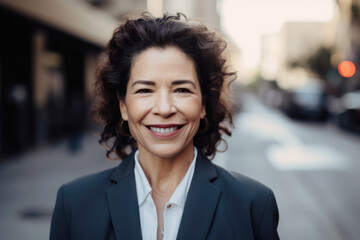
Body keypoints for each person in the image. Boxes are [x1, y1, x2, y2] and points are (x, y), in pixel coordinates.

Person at [50, 12, 279, 240]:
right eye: (144, 90)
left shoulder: (253, 205)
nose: (164, 108)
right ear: (123, 106)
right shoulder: (74, 204)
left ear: (203, 104)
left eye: (181, 90)